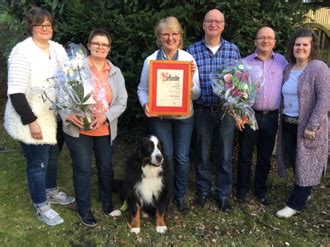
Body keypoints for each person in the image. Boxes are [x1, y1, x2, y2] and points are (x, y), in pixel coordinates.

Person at [4, 7, 74, 226]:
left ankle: (50, 191)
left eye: (48, 24)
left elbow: (71, 78)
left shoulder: (58, 49)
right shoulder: (22, 52)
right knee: (38, 163)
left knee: (52, 157)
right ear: (31, 27)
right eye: (40, 25)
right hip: (30, 116)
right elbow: (15, 91)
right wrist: (31, 121)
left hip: (54, 116)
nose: (46, 28)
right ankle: (41, 205)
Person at [62, 28, 128, 226]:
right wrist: (66, 114)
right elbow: (60, 96)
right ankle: (84, 208)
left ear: (109, 48)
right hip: (79, 129)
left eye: (104, 44)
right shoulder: (74, 68)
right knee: (82, 169)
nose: (100, 47)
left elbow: (122, 101)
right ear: (89, 45)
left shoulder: (115, 72)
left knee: (106, 167)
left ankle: (106, 201)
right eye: (96, 43)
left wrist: (105, 116)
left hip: (105, 129)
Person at [137, 16, 201, 212]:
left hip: (184, 117)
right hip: (160, 118)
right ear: (159, 37)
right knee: (166, 156)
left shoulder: (188, 60)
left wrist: (190, 82)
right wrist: (146, 103)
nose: (170, 38)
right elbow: (142, 89)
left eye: (174, 34)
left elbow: (196, 94)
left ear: (180, 37)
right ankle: (166, 195)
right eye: (165, 34)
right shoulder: (151, 61)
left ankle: (180, 196)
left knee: (182, 157)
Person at [187, 9, 240, 213]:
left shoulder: (233, 50)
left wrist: (238, 108)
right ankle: (203, 191)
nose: (213, 25)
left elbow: (239, 81)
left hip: (226, 110)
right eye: (209, 21)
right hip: (202, 109)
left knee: (225, 155)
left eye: (218, 21)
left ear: (223, 25)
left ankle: (223, 194)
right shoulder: (192, 51)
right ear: (203, 25)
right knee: (201, 154)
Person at [276, 28, 329, 218]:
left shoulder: (319, 68)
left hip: (308, 128)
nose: (301, 48)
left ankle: (295, 204)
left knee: (306, 163)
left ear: (312, 47)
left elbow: (325, 99)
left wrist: (312, 126)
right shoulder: (289, 68)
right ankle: (305, 191)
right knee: (297, 162)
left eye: (305, 44)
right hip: (289, 123)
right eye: (297, 44)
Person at [235, 27, 288, 205]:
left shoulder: (282, 62)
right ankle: (242, 189)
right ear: (255, 41)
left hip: (272, 116)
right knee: (245, 154)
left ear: (274, 41)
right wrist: (239, 114)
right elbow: (236, 92)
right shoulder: (245, 62)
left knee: (265, 156)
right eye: (261, 38)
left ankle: (260, 189)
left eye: (269, 38)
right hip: (250, 115)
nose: (265, 41)